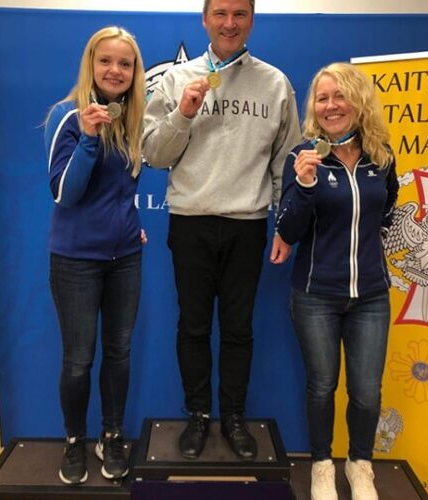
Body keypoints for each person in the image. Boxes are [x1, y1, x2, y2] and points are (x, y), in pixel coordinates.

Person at [143, 0, 301, 461]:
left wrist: (284, 224)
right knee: (192, 327)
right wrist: (182, 114)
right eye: (220, 13)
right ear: (205, 19)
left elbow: (285, 161)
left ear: (251, 19)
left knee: (238, 330)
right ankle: (197, 414)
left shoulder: (275, 83)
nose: (229, 23)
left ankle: (233, 416)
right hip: (190, 221)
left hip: (247, 224)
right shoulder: (176, 79)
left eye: (239, 14)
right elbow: (153, 154)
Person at [275, 62, 399, 500]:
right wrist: (306, 184)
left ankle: (360, 465)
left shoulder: (381, 156)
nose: (331, 106)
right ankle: (322, 465)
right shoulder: (303, 157)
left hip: (371, 296)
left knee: (366, 392)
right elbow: (288, 229)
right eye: (322, 98)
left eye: (339, 96)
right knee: (322, 387)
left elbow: (387, 209)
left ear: (358, 101)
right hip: (316, 296)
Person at [44, 26, 146, 485]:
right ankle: (74, 440)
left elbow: (119, 192)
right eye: (106, 60)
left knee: (119, 352)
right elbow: (65, 194)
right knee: (79, 358)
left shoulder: (131, 119)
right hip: (75, 262)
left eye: (125, 63)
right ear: (91, 63)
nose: (115, 70)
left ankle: (112, 434)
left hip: (125, 258)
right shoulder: (68, 116)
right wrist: (88, 137)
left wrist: (127, 225)